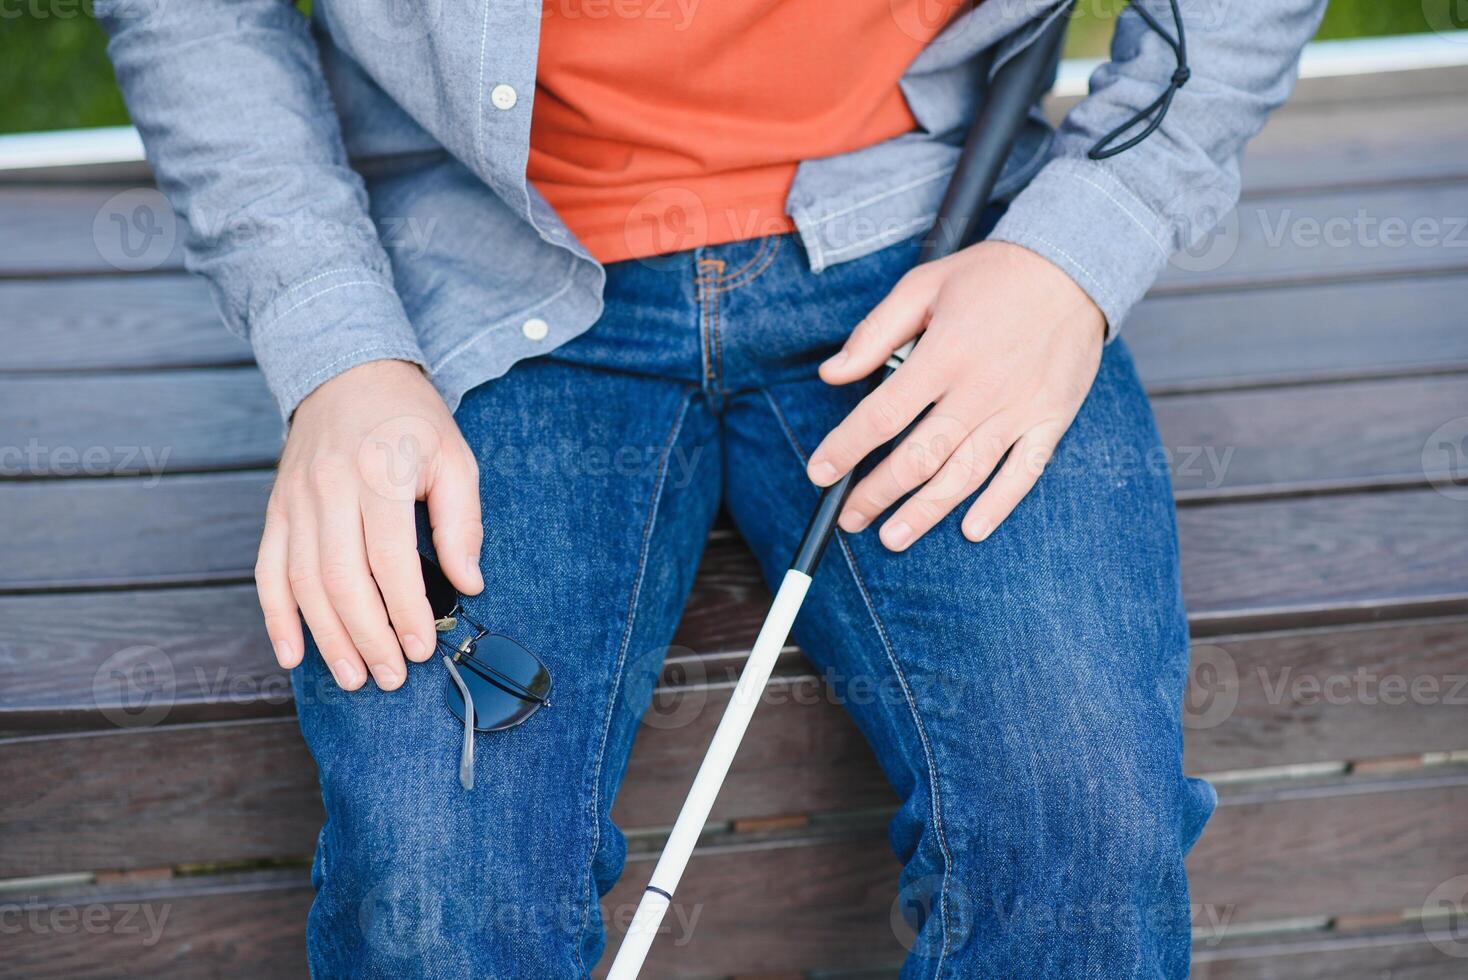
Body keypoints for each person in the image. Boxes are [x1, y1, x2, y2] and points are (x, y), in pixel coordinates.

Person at [101, 0, 1326, 975]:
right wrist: (338, 354)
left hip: (937, 249)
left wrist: (1082, 241)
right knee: (433, 881)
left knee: (1084, 844)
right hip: (475, 258)